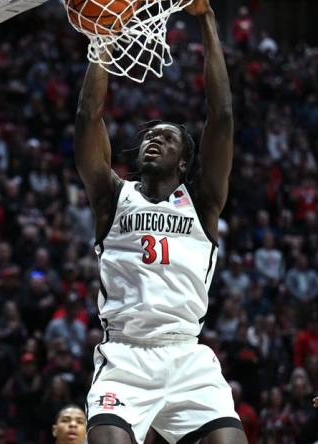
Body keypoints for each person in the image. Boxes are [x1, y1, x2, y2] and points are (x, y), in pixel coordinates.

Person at [73, 0, 245, 442]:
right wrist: (102, 40)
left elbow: (222, 116)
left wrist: (207, 19)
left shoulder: (203, 202)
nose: (153, 140)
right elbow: (87, 118)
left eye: (166, 138)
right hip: (126, 356)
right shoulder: (113, 197)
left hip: (187, 355)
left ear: (185, 160)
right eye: (149, 136)